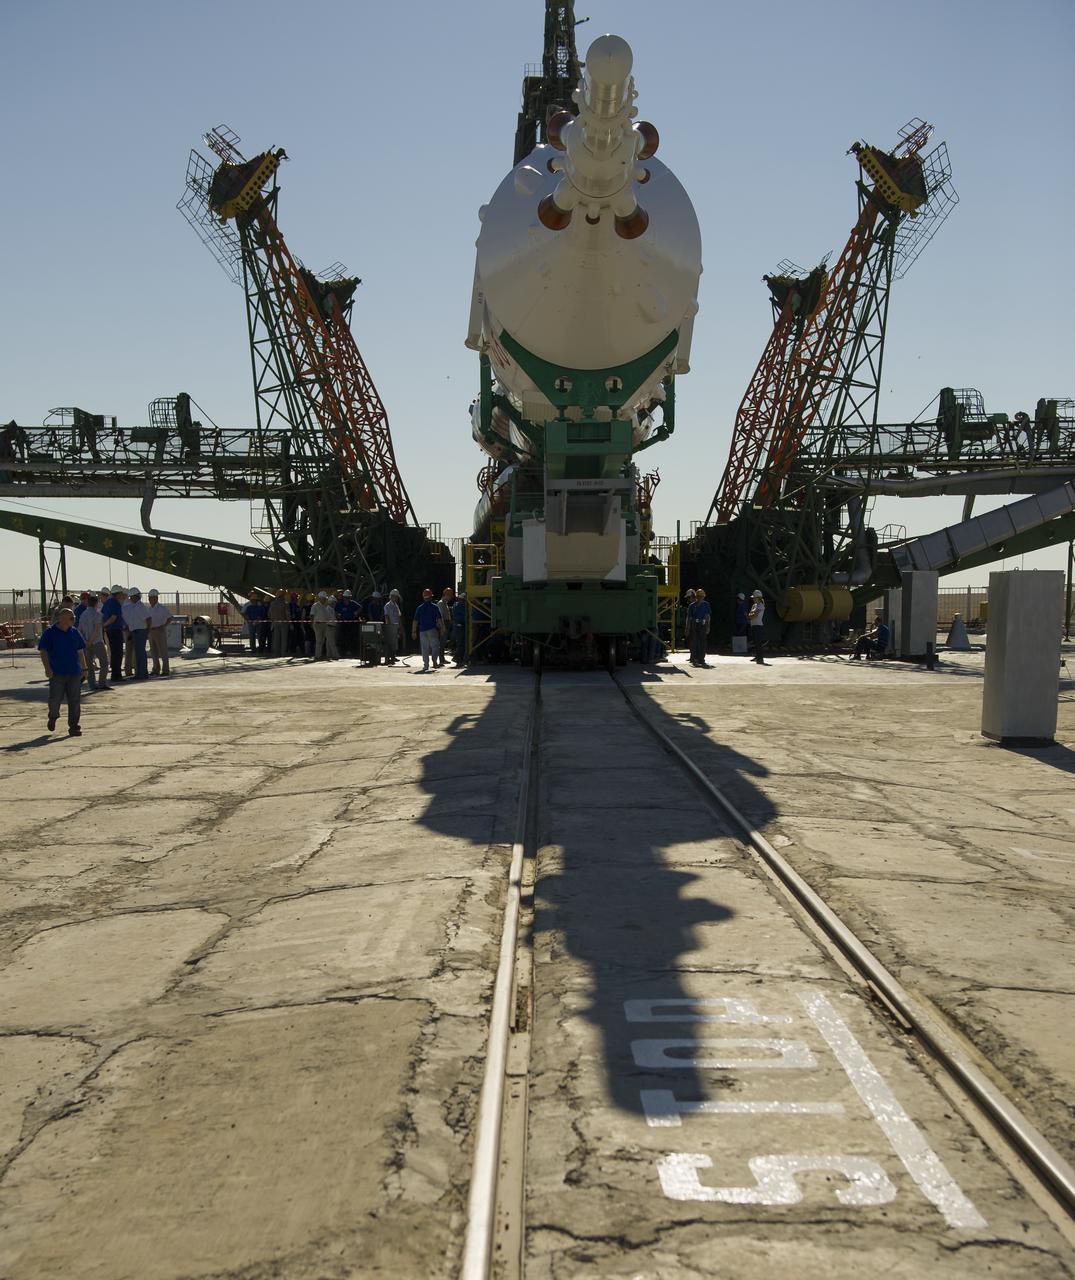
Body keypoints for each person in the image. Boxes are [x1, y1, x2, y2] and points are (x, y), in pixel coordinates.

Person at [38, 607, 88, 736]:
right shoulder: (50, 633)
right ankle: (53, 717)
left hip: (74, 672)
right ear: (62, 618)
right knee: (55, 699)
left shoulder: (74, 632)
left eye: (74, 618)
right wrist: (47, 668)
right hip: (57, 673)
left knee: (75, 700)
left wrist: (84, 668)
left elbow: (80, 652)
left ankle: (74, 726)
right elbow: (43, 651)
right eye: (71, 618)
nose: (73, 620)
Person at [77, 593, 110, 691]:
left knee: (89, 664)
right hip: (97, 641)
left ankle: (92, 684)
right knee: (104, 662)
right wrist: (91, 641)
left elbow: (80, 630)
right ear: (96, 603)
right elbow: (96, 629)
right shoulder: (98, 614)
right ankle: (102, 683)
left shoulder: (83, 614)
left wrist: (85, 641)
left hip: (86, 642)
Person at [411, 587, 444, 672]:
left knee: (424, 648)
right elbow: (439, 619)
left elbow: (415, 620)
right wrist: (442, 628)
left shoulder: (420, 608)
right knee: (435, 646)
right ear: (431, 597)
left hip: (422, 631)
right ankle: (434, 659)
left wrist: (413, 631)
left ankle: (426, 665)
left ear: (423, 597)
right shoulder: (435, 607)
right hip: (432, 630)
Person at [122, 587, 151, 679]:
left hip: (140, 631)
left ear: (136, 597)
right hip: (135, 631)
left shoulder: (141, 607)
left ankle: (142, 674)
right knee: (138, 654)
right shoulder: (132, 606)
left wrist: (147, 631)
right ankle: (139, 673)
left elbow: (148, 619)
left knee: (140, 654)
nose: (130, 599)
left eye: (131, 597)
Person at [146, 589, 173, 676]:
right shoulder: (149, 609)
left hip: (160, 630)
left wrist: (164, 626)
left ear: (156, 598)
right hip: (151, 631)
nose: (150, 600)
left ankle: (165, 670)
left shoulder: (162, 608)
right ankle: (156, 669)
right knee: (154, 652)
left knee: (163, 651)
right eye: (149, 598)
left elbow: (170, 617)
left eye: (151, 598)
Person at [102, 585, 126, 682]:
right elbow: (113, 617)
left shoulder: (107, 602)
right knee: (118, 653)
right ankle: (117, 675)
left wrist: (104, 625)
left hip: (109, 631)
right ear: (119, 593)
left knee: (113, 652)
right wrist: (105, 624)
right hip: (115, 630)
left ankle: (115, 674)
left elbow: (103, 614)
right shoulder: (115, 603)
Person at [686, 588, 712, 667]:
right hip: (694, 624)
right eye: (698, 596)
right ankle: (694, 658)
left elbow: (707, 616)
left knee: (702, 642)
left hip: (702, 624)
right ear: (696, 596)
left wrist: (708, 626)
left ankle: (701, 659)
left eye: (701, 596)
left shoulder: (706, 605)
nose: (700, 598)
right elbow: (689, 618)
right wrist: (687, 628)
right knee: (694, 642)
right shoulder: (692, 606)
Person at [310, 591, 339, 660]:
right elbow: (312, 615)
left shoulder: (326, 606)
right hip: (317, 624)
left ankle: (333, 655)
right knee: (319, 641)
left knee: (327, 640)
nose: (325, 600)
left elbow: (328, 615)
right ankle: (317, 656)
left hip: (325, 624)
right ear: (320, 598)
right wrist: (312, 623)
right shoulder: (315, 605)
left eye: (325, 598)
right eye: (323, 598)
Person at [335, 589, 361, 658]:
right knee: (343, 638)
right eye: (346, 597)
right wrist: (338, 615)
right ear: (344, 597)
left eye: (348, 597)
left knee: (352, 638)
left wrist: (356, 613)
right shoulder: (339, 604)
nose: (347, 599)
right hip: (343, 624)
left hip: (352, 624)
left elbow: (360, 607)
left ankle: (353, 652)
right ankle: (343, 652)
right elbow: (336, 611)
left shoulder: (353, 603)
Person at [435, 588, 455, 666]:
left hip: (446, 624)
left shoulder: (445, 603)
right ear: (446, 595)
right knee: (441, 643)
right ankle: (441, 660)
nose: (450, 598)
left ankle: (442, 659)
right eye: (449, 596)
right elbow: (440, 616)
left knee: (443, 643)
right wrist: (442, 627)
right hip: (443, 624)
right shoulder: (441, 603)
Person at [268, 587, 290, 658]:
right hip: (284, 623)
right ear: (283, 595)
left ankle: (276, 653)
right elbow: (287, 614)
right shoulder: (285, 604)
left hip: (275, 622)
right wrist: (289, 622)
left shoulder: (272, 603)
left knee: (276, 639)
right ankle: (283, 653)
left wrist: (273, 620)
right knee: (284, 639)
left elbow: (269, 614)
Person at [748, 588, 767, 665]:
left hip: (758, 626)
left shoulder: (761, 605)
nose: (753, 599)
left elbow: (754, 615)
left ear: (758, 598)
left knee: (758, 642)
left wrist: (752, 614)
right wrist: (752, 614)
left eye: (754, 598)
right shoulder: (754, 605)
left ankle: (760, 658)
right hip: (753, 625)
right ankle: (757, 656)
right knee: (755, 642)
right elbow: (749, 615)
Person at [383, 589, 402, 664]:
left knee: (394, 642)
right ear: (392, 596)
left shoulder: (396, 606)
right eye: (395, 597)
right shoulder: (387, 606)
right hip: (390, 626)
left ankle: (393, 657)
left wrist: (400, 627)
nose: (396, 598)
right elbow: (386, 616)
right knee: (389, 643)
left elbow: (399, 616)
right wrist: (388, 626)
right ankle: (387, 658)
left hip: (395, 626)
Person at [450, 593, 467, 666]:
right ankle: (458, 659)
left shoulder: (456, 605)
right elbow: (464, 616)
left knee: (461, 643)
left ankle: (458, 658)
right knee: (461, 643)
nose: (463, 602)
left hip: (458, 627)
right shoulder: (459, 607)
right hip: (460, 627)